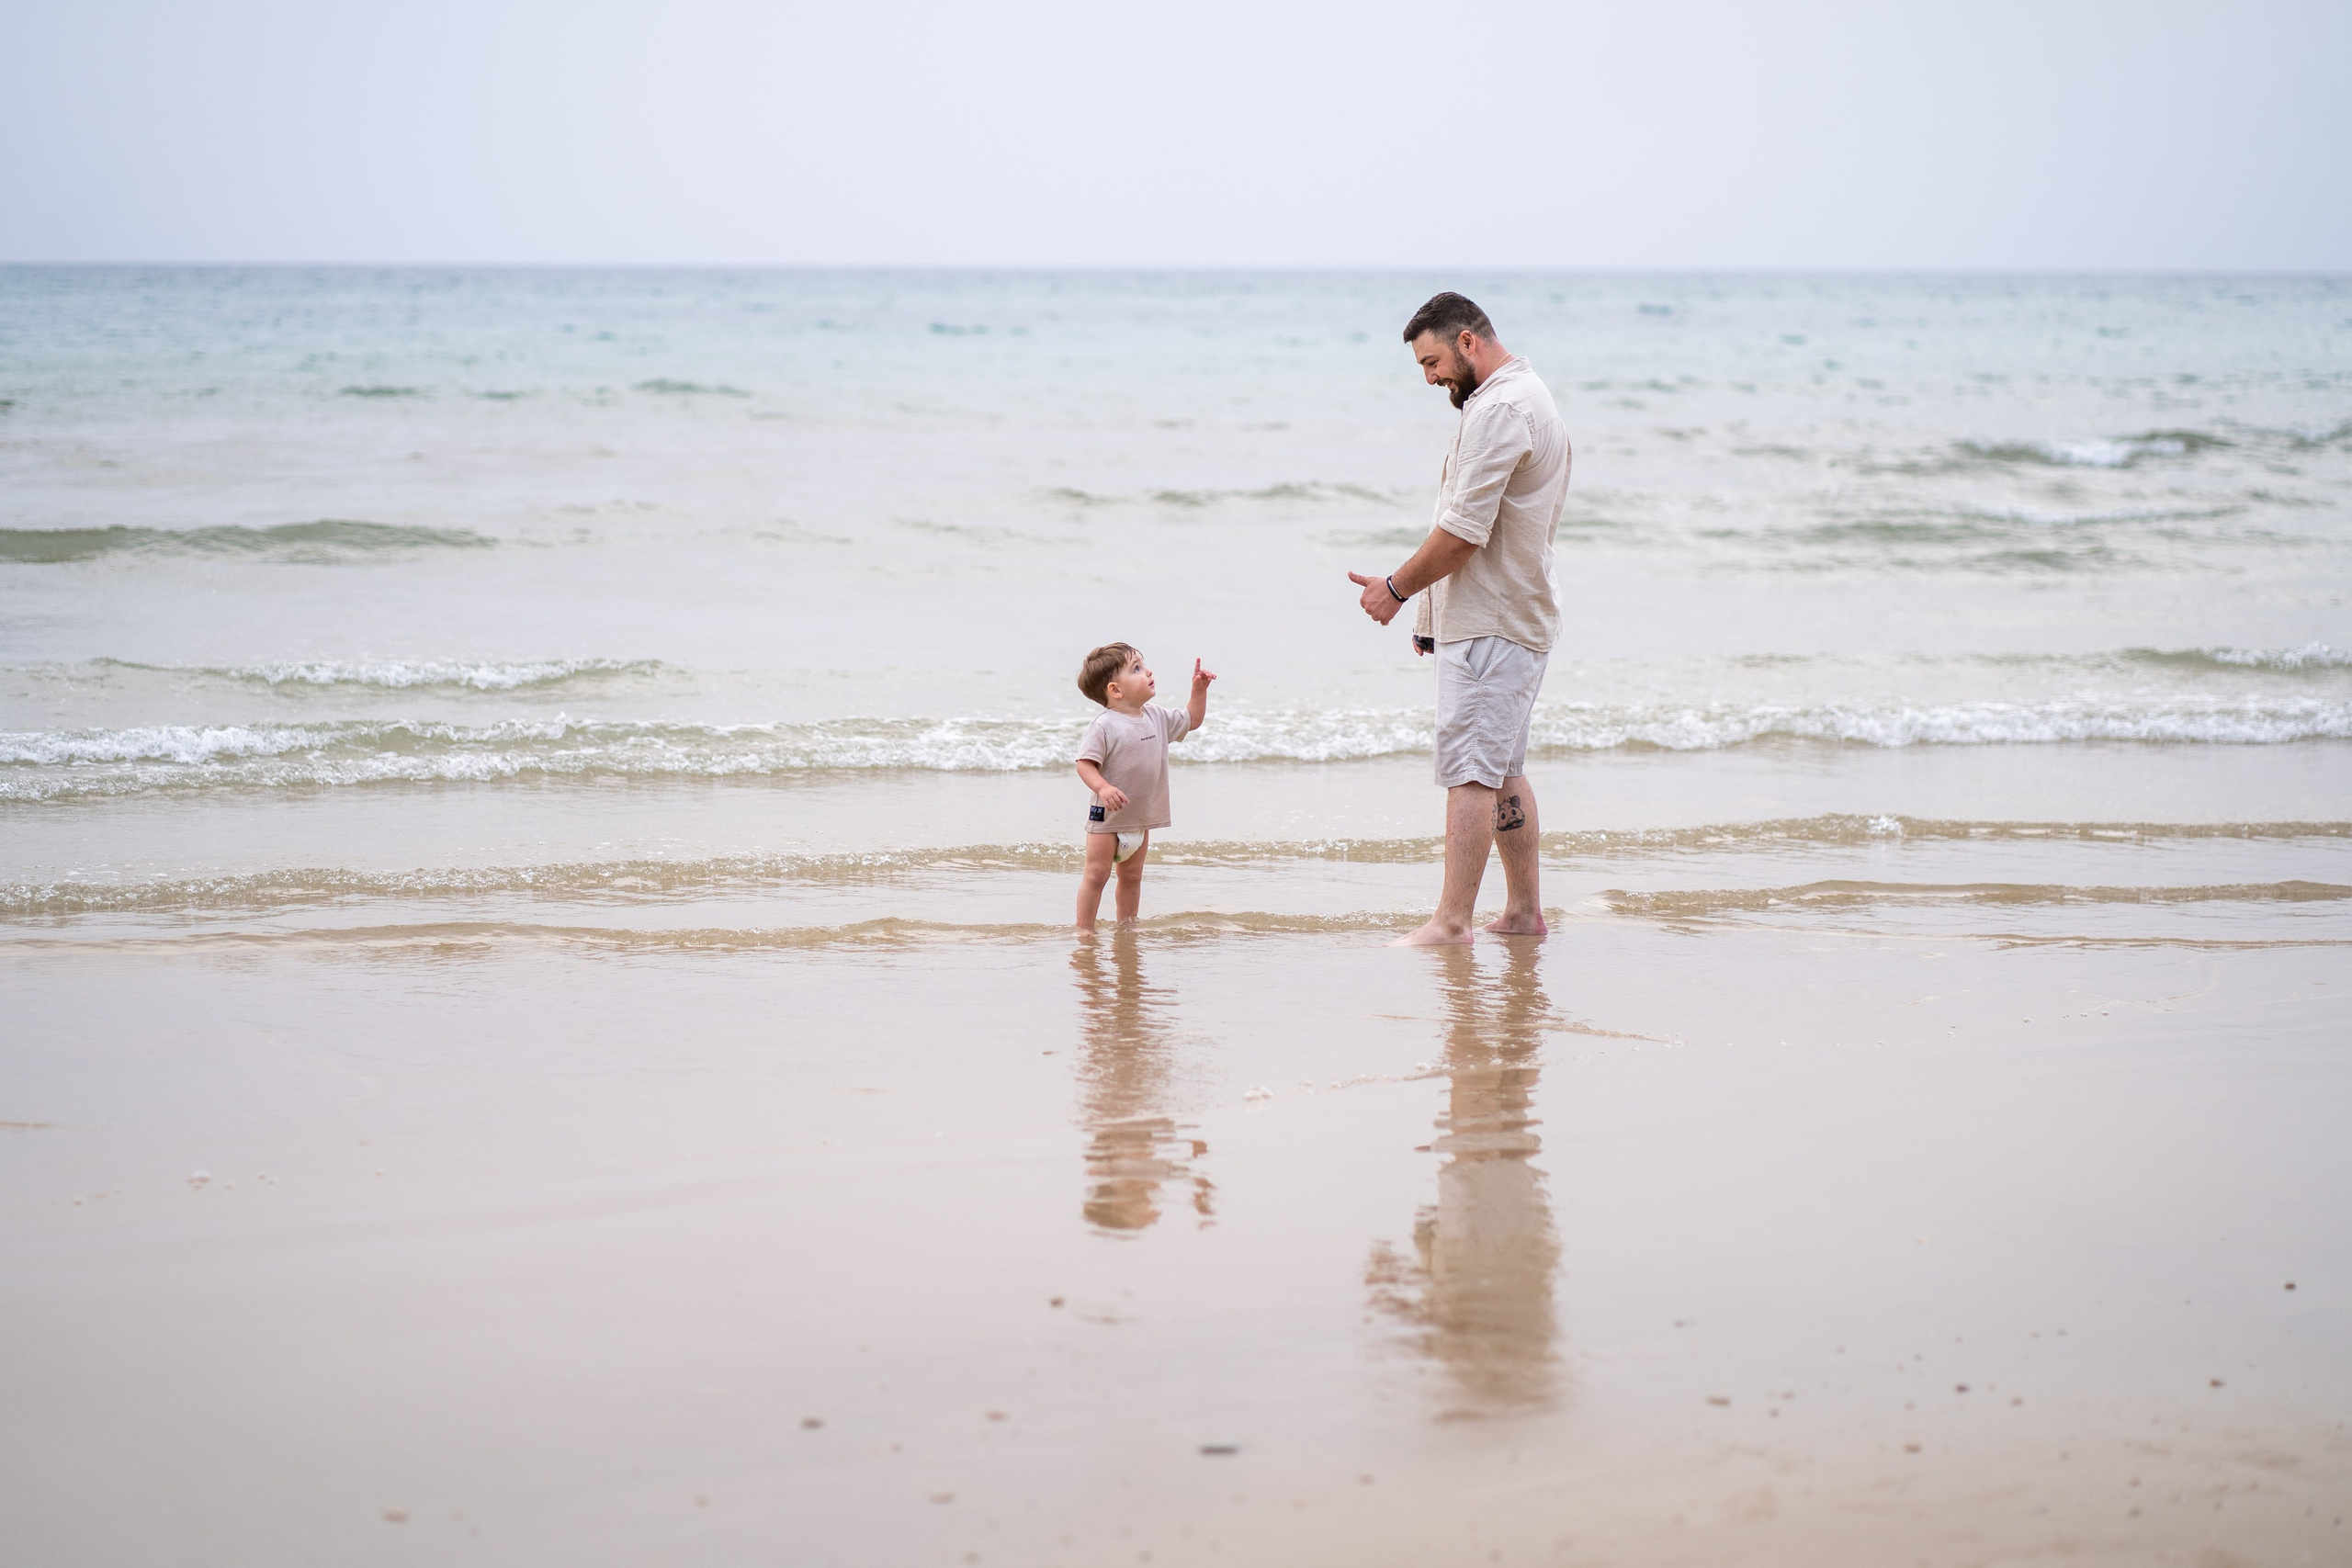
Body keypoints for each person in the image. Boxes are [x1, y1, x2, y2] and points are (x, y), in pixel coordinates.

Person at [1348, 292, 1570, 946]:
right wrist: (1430, 614)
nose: (1430, 378)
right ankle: (1524, 914)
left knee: (1471, 772)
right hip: (1507, 614)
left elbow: (1464, 532)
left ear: (1468, 341)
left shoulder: (1501, 408)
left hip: (1493, 622)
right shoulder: (1523, 393)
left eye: (1433, 360)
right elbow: (1486, 525)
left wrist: (1395, 588)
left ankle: (1451, 922)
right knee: (1501, 769)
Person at [1072, 643, 1216, 932]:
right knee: (1097, 874)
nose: (1148, 671)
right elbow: (1084, 764)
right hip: (1107, 817)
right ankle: (1084, 929)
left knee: (1132, 876)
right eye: (1136, 669)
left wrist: (1198, 691)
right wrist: (1103, 788)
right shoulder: (1104, 726)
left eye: (1143, 665)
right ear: (1115, 690)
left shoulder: (1157, 717)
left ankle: (1127, 926)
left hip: (1141, 817)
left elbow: (1192, 720)